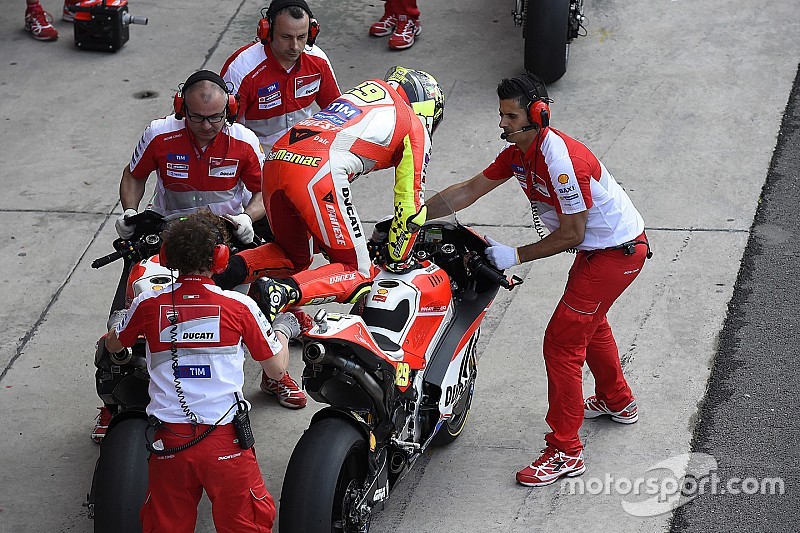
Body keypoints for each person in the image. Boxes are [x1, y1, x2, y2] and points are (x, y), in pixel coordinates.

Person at [425, 73, 650, 488]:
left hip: (615, 254)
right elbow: (469, 190)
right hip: (601, 254)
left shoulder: (562, 162)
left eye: (511, 116)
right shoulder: (518, 155)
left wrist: (515, 255)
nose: (502, 125)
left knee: (562, 342)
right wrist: (416, 215)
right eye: (501, 115)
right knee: (590, 324)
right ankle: (618, 401)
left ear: (538, 114)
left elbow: (572, 233)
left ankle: (566, 451)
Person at [104, 211, 301, 533]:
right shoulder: (240, 307)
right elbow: (277, 369)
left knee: (165, 524)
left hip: (169, 441)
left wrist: (116, 327)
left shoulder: (148, 305)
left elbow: (115, 346)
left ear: (166, 257)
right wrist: (283, 329)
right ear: (221, 258)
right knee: (245, 525)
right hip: (226, 442)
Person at [213, 65, 445, 330]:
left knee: (293, 255)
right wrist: (397, 256)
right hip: (317, 171)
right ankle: (279, 292)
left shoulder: (369, 94)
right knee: (357, 271)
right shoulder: (414, 124)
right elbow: (411, 210)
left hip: (278, 159)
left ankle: (220, 275)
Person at [220, 0, 340, 154]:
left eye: (302, 37)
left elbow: (337, 112)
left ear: (311, 33)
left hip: (305, 154)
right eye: (286, 37)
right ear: (267, 32)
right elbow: (223, 130)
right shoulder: (241, 70)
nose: (295, 46)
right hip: (258, 157)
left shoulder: (318, 60)